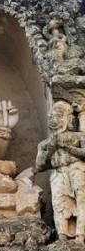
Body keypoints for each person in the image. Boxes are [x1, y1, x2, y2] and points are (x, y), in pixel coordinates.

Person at [36, 100, 85, 243]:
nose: (53, 118)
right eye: (51, 115)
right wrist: (51, 148)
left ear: (68, 118)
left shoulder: (78, 136)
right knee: (59, 203)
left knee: (82, 201)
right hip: (58, 173)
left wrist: (66, 147)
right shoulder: (45, 144)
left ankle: (80, 236)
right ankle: (62, 235)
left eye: (58, 114)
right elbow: (39, 166)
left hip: (77, 169)